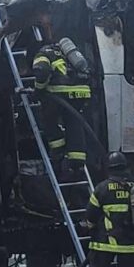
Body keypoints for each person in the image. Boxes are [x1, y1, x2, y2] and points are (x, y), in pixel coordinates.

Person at [32, 38, 91, 177]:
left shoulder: (42, 53)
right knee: (74, 124)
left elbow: (41, 71)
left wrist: (38, 91)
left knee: (48, 120)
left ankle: (58, 154)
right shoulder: (72, 52)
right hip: (81, 93)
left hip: (59, 93)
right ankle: (77, 162)